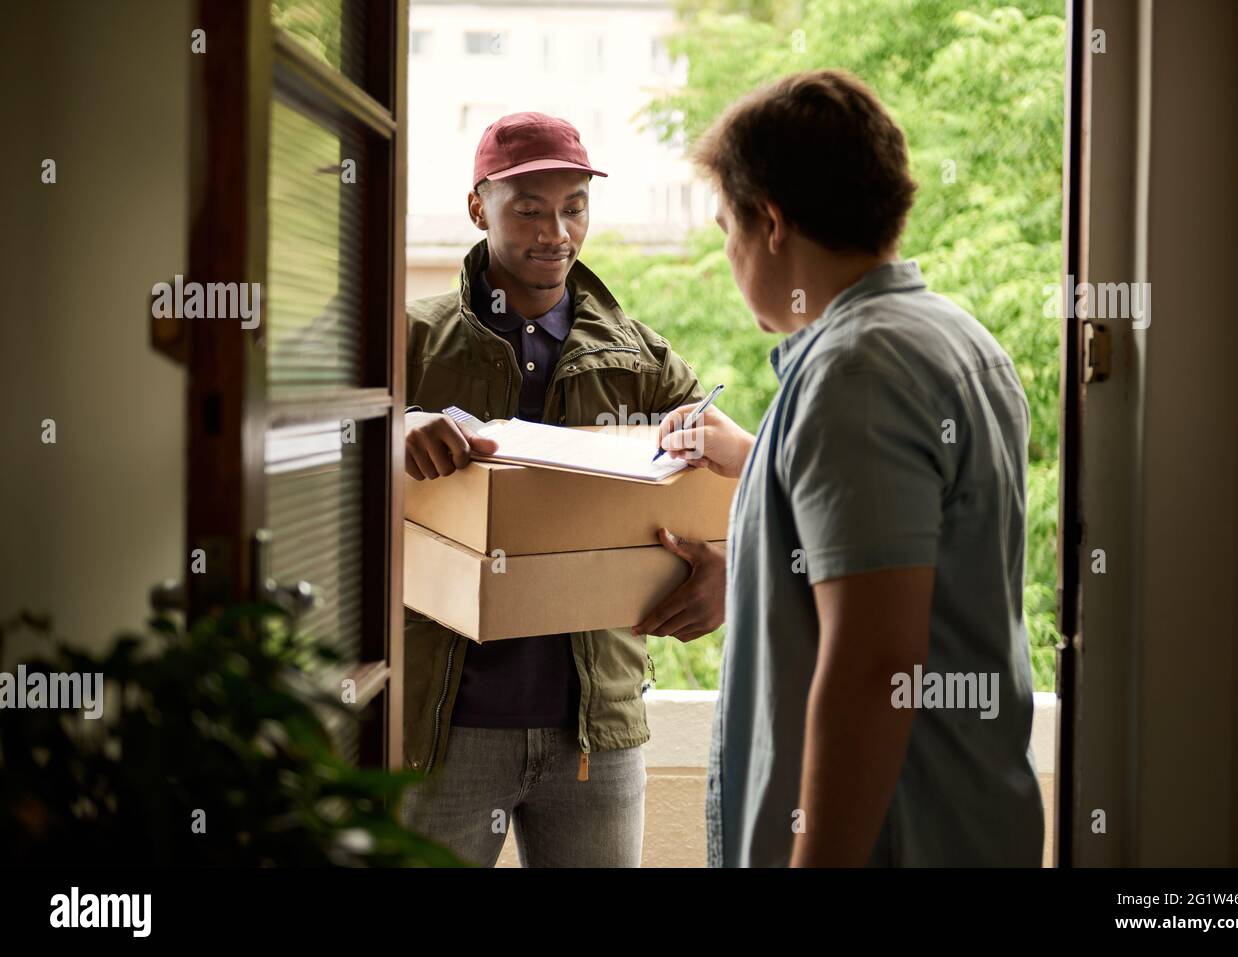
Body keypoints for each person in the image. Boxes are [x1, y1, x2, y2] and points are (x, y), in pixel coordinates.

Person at [656, 70, 1044, 866]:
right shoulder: (953, 338)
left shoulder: (856, 374)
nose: (728, 254)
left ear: (770, 222)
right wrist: (759, 454)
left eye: (727, 225)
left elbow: (874, 666)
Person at [400, 112, 723, 867]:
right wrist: (396, 431)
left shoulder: (642, 356)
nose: (557, 232)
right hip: (442, 727)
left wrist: (725, 573)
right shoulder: (407, 340)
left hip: (594, 731)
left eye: (574, 206)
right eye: (530, 209)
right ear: (479, 208)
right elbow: (309, 452)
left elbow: (722, 479)